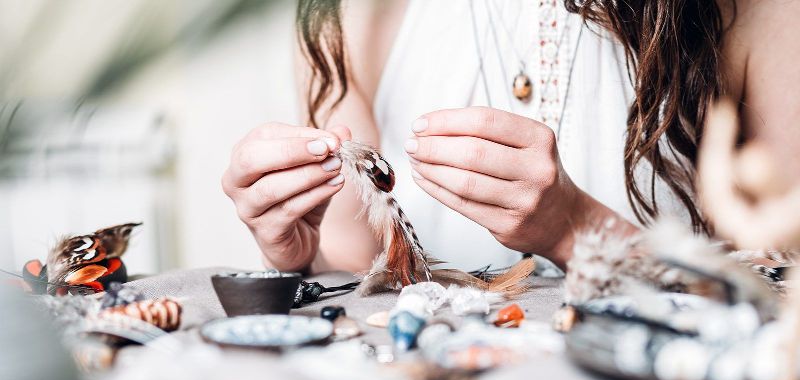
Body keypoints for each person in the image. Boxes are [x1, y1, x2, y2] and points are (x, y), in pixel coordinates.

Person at [222, 0, 800, 274]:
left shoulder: (755, 13)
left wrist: (575, 229)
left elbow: (781, 295)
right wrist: (300, 252)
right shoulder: (351, 16)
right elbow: (355, 265)